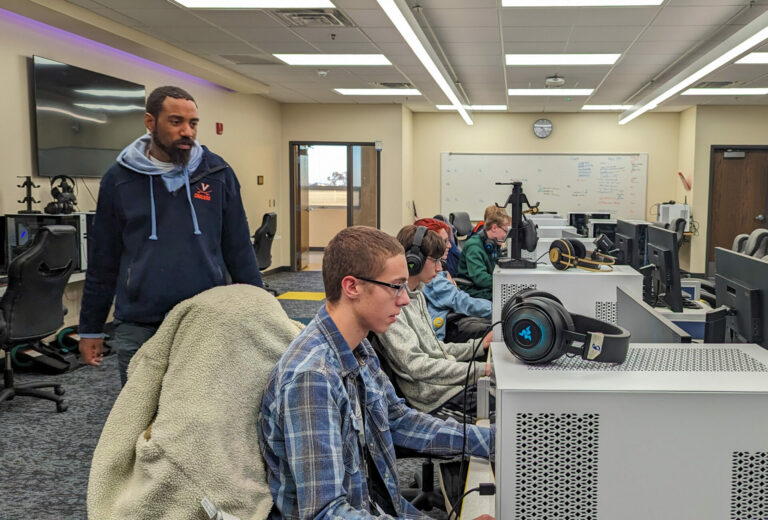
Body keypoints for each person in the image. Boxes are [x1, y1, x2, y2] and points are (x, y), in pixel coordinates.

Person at [258, 226, 494, 520]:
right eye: (395, 286)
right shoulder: (312, 378)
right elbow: (326, 512)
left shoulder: (359, 348)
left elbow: (399, 420)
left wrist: (490, 440)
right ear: (352, 287)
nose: (405, 299)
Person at [78, 85, 263, 385]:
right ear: (150, 122)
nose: (187, 131)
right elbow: (104, 259)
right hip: (139, 321)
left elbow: (240, 250)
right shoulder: (119, 180)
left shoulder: (217, 174)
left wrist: (260, 315)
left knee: (201, 406)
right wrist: (90, 328)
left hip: (206, 317)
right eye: (176, 122)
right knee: (139, 408)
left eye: (193, 123)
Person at [377, 224, 493, 418]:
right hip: (434, 399)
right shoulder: (393, 307)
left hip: (447, 385)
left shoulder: (418, 294)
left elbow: (436, 348)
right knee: (508, 409)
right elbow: (416, 365)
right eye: (435, 261)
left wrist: (478, 346)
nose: (440, 268)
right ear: (414, 261)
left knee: (505, 392)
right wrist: (480, 370)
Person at [415, 218, 492, 343]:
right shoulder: (432, 278)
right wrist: (497, 310)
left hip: (451, 317)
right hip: (446, 328)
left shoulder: (438, 272)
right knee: (495, 328)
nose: (449, 246)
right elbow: (461, 302)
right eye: (444, 241)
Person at [456, 206, 511, 300]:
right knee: (507, 298)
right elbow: (480, 278)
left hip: (484, 288)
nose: (506, 235)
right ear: (494, 227)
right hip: (473, 291)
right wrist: (505, 282)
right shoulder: (474, 246)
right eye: (505, 231)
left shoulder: (493, 244)